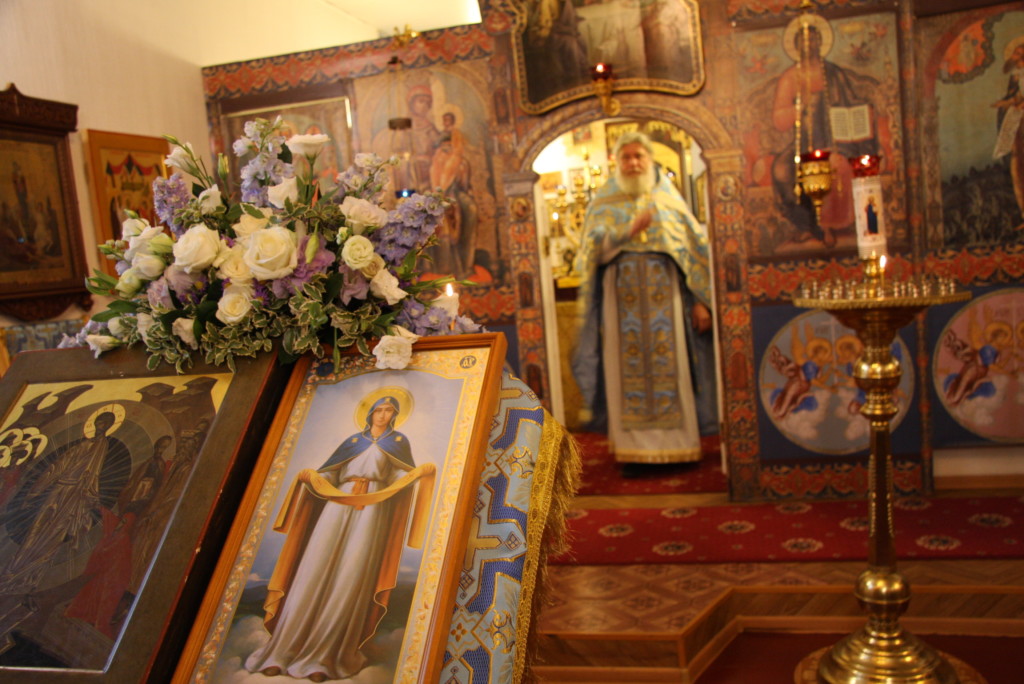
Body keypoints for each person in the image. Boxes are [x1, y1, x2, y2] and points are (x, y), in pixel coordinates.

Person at [246, 394, 436, 681]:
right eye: (379, 410)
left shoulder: (398, 443)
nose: (383, 415)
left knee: (352, 573)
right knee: (314, 568)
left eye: (389, 411)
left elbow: (401, 479)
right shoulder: (352, 442)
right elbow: (330, 476)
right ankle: (281, 652)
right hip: (337, 504)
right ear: (370, 413)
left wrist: (419, 473)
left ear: (395, 415)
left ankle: (325, 657)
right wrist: (312, 476)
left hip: (373, 509)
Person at [572, 131, 715, 464]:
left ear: (650, 160)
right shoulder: (603, 203)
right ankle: (632, 453)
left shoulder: (668, 201)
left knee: (673, 369)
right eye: (626, 157)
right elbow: (591, 255)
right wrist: (627, 232)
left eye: (639, 156)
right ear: (617, 163)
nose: (633, 163)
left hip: (668, 301)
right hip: (620, 304)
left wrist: (701, 301)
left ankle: (679, 448)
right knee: (623, 375)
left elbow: (692, 255)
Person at [770, 13, 880, 248]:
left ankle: (831, 226)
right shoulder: (790, 78)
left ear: (820, 43)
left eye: (813, 40)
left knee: (839, 167)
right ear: (796, 46)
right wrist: (799, 108)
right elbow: (779, 119)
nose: (809, 45)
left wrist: (863, 112)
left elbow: (851, 102)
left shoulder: (834, 74)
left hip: (836, 139)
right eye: (804, 41)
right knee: (781, 170)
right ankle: (806, 225)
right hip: (803, 144)